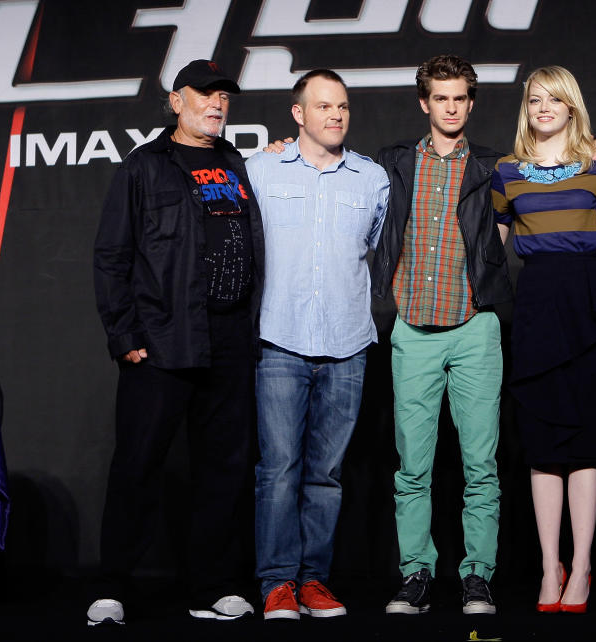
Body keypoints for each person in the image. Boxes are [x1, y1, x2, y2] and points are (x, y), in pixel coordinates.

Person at [89, 59, 263, 625]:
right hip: (162, 340)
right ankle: (112, 585)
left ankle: (211, 586)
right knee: (138, 465)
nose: (216, 104)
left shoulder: (235, 160)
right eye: (204, 94)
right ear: (175, 100)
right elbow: (112, 256)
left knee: (225, 469)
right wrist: (124, 335)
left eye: (224, 97)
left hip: (231, 339)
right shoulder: (144, 166)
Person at [491, 66, 596, 614]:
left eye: (555, 99)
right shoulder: (507, 171)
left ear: (572, 106)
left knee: (587, 441)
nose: (543, 107)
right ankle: (550, 564)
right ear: (526, 108)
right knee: (543, 442)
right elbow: (488, 250)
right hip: (534, 308)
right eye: (534, 99)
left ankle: (583, 565)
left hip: (588, 304)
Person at [370, 54, 512, 615]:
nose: (451, 107)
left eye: (460, 98)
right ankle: (416, 575)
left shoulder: (495, 166)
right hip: (414, 332)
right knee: (413, 467)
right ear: (424, 102)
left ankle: (477, 575)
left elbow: (560, 165)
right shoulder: (393, 164)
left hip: (475, 327)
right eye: (441, 98)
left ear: (470, 103)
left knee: (481, 465)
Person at [245, 70, 389, 620]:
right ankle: (277, 584)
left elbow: (375, 251)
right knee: (278, 468)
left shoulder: (372, 180)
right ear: (298, 114)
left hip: (348, 344)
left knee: (326, 475)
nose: (336, 115)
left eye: (343, 107)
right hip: (279, 340)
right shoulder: (259, 170)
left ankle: (314, 582)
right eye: (324, 106)